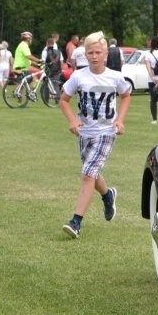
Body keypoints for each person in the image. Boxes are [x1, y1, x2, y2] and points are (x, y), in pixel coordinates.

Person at [59, 31, 132, 239]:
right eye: (90, 52)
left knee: (87, 174)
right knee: (91, 172)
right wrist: (73, 121)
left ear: (105, 54)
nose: (93, 56)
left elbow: (126, 96)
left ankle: (76, 222)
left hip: (106, 133)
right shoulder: (79, 77)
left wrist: (120, 120)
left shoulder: (115, 77)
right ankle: (108, 195)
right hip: (84, 133)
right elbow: (63, 100)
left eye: (97, 52)